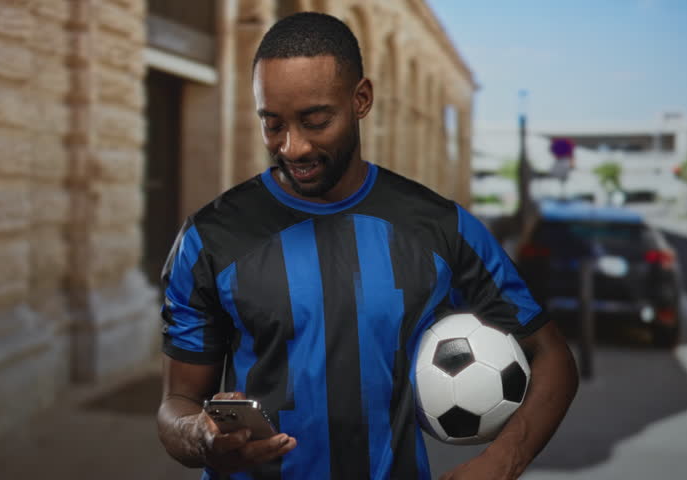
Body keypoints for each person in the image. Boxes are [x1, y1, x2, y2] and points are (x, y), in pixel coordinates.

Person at [157, 12, 578, 480]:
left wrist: (502, 461)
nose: (292, 146)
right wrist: (199, 436)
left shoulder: (438, 227)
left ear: (361, 100)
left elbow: (552, 355)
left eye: (315, 121)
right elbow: (177, 403)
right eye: (272, 124)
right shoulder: (210, 236)